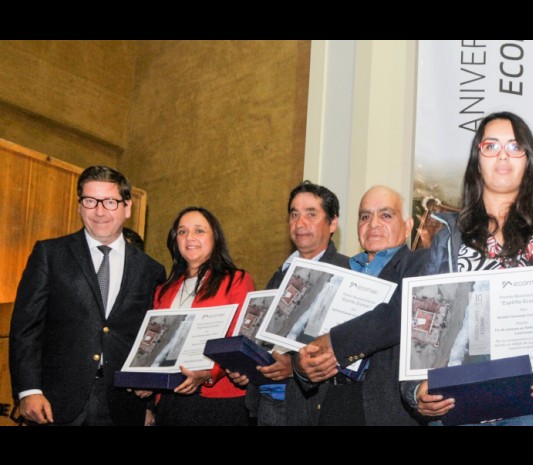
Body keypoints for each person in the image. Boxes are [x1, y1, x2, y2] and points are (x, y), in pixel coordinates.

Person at [401, 111, 533, 426]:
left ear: (528, 160)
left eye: (515, 147)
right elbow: (423, 324)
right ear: (477, 159)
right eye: (491, 145)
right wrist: (415, 388)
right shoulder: (446, 237)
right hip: (459, 407)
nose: (503, 154)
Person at [10, 165, 166, 426]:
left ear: (127, 207)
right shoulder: (50, 254)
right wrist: (28, 390)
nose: (100, 211)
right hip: (54, 402)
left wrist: (149, 401)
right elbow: (26, 329)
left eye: (111, 202)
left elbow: (152, 336)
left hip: (123, 404)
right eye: (91, 201)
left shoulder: (151, 270)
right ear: (80, 206)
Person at [292, 185, 427, 425]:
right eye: (365, 216)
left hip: (385, 409)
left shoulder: (420, 264)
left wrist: (334, 342)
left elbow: (399, 315)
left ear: (407, 226)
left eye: (386, 215)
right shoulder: (337, 272)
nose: (373, 223)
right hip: (329, 404)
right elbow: (304, 337)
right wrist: (303, 367)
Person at [226, 180, 349, 426]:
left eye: (311, 214)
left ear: (333, 222)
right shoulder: (280, 274)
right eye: (294, 214)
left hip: (313, 407)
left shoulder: (346, 271)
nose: (300, 223)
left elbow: (342, 344)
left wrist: (294, 366)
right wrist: (246, 365)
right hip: (266, 404)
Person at [150, 206, 255, 426]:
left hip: (217, 400)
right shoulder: (164, 289)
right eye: (182, 232)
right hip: (170, 397)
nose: (190, 237)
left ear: (215, 237)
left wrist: (208, 373)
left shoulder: (236, 280)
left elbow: (238, 339)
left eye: (199, 231)